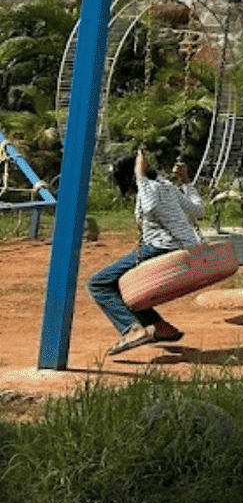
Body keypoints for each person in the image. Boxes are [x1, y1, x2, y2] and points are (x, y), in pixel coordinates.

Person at [87, 149, 204, 355]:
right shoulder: (166, 186)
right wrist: (186, 182)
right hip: (183, 245)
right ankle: (160, 327)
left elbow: (149, 207)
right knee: (126, 284)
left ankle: (133, 329)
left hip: (161, 247)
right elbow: (198, 211)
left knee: (98, 283)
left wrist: (140, 175)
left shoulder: (148, 188)